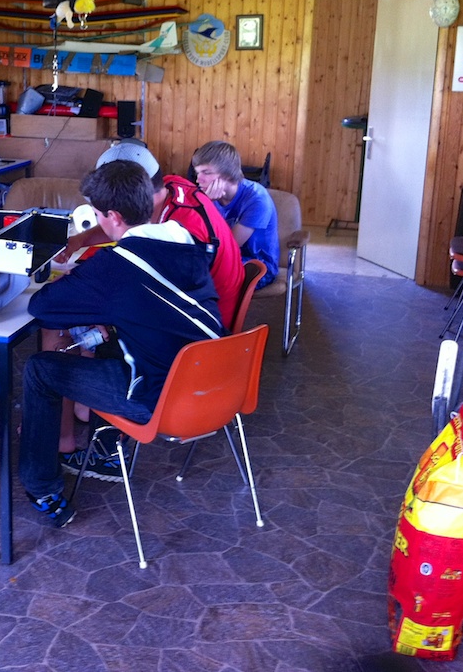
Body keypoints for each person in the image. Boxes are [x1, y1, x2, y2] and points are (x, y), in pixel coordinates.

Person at [20, 159, 224, 527]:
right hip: (215, 384)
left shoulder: (114, 267)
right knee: (108, 342)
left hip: (162, 399)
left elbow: (42, 308)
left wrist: (79, 281)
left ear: (112, 217)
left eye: (98, 215)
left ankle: (41, 486)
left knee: (40, 369)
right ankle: (104, 449)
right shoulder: (185, 240)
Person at [52, 141, 244, 477]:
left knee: (108, 334)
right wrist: (82, 239)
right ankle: (85, 408)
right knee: (102, 319)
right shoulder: (170, 188)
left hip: (202, 338)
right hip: (212, 323)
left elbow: (161, 299)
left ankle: (108, 452)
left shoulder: (184, 225)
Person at [191, 141, 279, 289]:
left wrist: (207, 206)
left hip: (257, 266)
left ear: (227, 174)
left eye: (206, 172)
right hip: (222, 258)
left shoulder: (257, 199)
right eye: (197, 172)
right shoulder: (206, 195)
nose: (198, 180)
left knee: (200, 279)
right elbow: (196, 235)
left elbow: (229, 247)